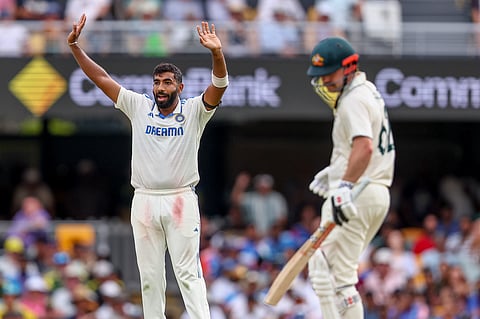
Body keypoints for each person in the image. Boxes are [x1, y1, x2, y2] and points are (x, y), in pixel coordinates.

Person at [67, 14, 229, 319]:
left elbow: (219, 86)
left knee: (187, 274)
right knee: (150, 278)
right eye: (157, 82)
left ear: (180, 86)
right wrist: (76, 47)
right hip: (143, 200)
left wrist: (217, 54)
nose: (160, 88)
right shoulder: (138, 106)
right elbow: (101, 78)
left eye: (167, 82)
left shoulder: (195, 110)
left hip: (181, 198)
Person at [305, 36, 395, 319]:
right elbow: (362, 146)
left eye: (328, 74)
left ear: (349, 67)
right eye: (320, 76)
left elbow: (364, 146)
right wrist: (336, 170)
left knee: (325, 268)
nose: (324, 82)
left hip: (357, 192)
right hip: (371, 191)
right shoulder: (366, 90)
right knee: (336, 272)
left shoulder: (353, 100)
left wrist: (344, 184)